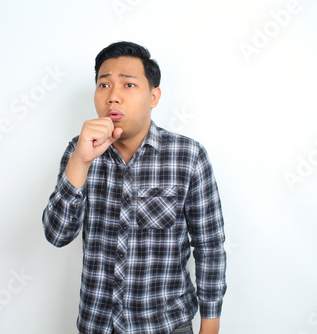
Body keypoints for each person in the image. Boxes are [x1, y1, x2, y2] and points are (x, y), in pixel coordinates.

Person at [42, 41, 227, 334]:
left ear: (154, 96)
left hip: (166, 324)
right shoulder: (79, 153)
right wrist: (81, 161)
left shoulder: (187, 156)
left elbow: (209, 246)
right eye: (104, 85)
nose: (113, 96)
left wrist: (210, 324)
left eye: (128, 85)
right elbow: (57, 234)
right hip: (97, 324)